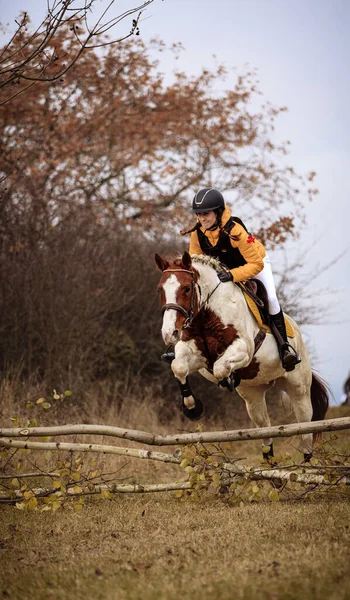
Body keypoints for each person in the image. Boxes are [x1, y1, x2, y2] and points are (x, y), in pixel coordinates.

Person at [184, 187, 301, 371]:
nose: (201, 219)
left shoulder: (235, 231)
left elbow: (255, 264)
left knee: (269, 298)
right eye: (198, 214)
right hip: (225, 270)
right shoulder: (197, 233)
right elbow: (195, 263)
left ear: (218, 212)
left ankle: (285, 348)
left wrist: (232, 275)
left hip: (255, 263)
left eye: (205, 213)